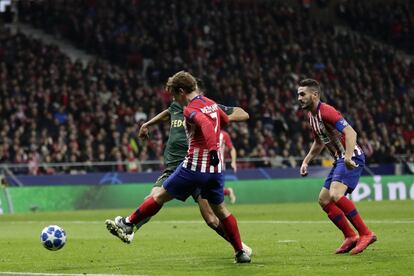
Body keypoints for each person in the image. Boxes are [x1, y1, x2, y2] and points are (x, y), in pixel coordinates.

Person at [106, 71, 251, 263]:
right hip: (215, 171)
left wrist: (214, 149)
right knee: (222, 211)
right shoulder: (211, 104)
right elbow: (223, 119)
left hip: (192, 168)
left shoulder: (190, 109)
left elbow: (205, 125)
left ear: (182, 91)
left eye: (174, 95)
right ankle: (240, 252)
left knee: (158, 196)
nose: (174, 100)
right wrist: (216, 148)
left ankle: (128, 223)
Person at [297, 78, 376, 255]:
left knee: (336, 194)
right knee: (324, 200)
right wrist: (306, 161)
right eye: (298, 95)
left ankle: (366, 233)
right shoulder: (311, 116)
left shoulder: (326, 111)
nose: (299, 98)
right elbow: (319, 141)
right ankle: (350, 236)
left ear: (314, 94)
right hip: (339, 158)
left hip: (350, 157)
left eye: (302, 94)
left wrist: (348, 157)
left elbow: (351, 132)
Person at [219, 129, 237, 203]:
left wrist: (233, 162)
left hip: (220, 166)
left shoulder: (224, 134)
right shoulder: (204, 130)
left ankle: (221, 209)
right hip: (205, 165)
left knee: (218, 190)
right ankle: (228, 191)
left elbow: (232, 148)